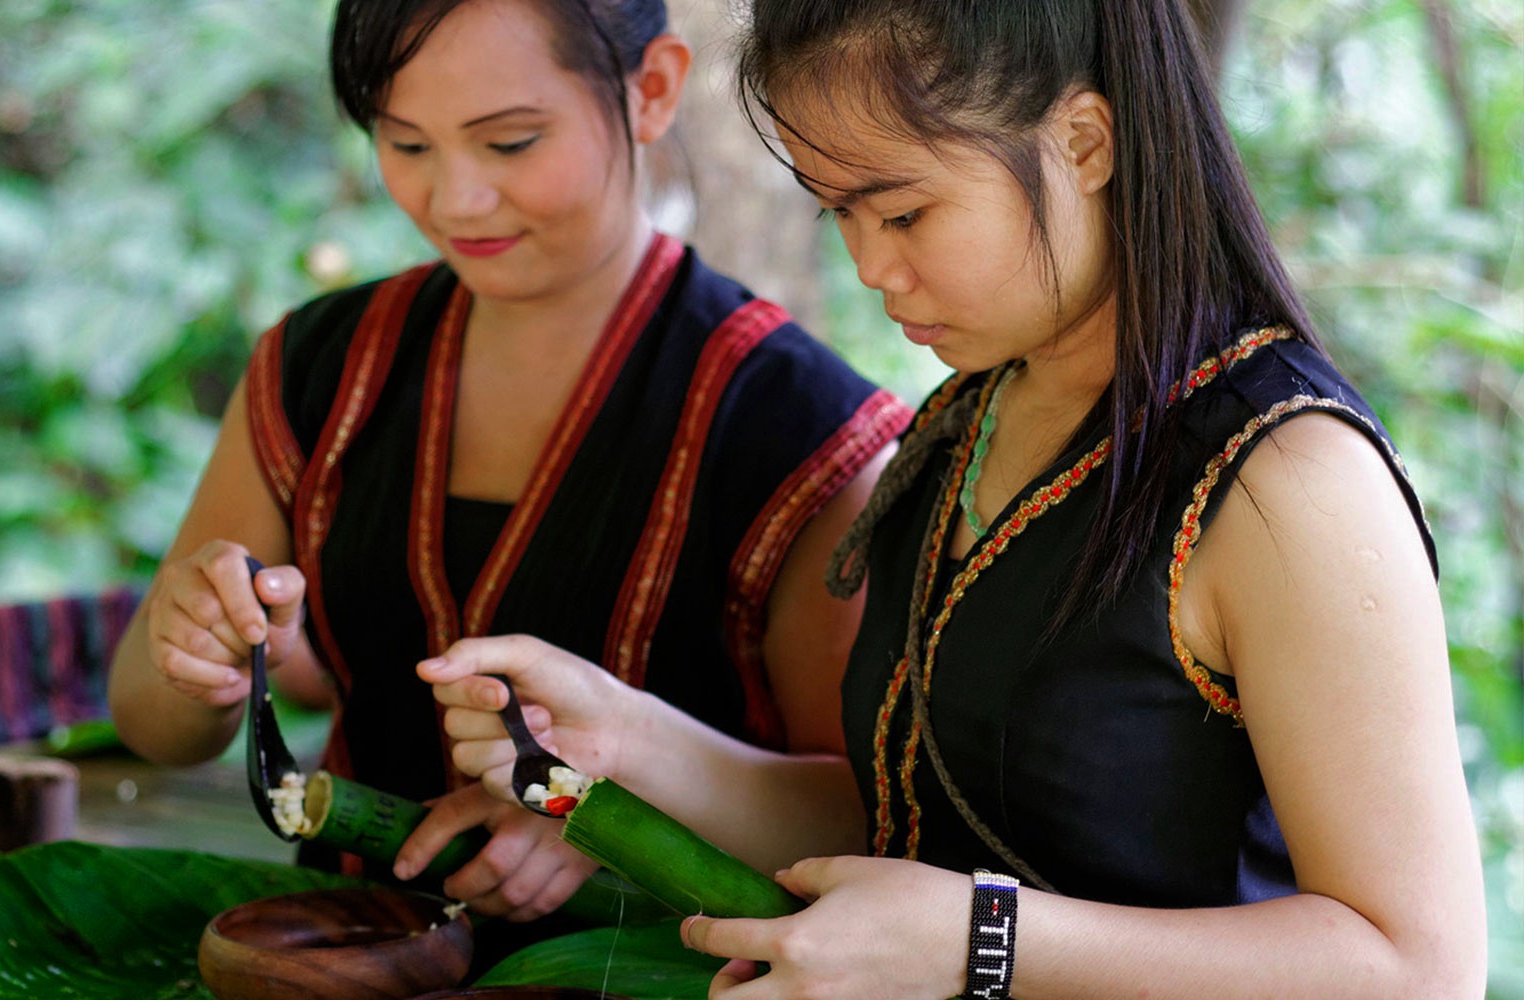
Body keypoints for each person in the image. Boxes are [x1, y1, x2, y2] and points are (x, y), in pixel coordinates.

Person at [418, 0, 1488, 995]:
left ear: (1084, 142)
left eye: (902, 210)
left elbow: (1416, 964)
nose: (872, 266)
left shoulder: (1285, 479)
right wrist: (635, 742)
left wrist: (984, 939)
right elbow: (914, 829)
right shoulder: (960, 425)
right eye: (838, 211)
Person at [106, 0, 910, 925]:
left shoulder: (802, 430)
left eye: (511, 143)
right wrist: (194, 660)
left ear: (651, 91)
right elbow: (152, 725)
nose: (456, 201)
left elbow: (869, 818)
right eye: (407, 146)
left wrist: (603, 813)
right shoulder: (317, 368)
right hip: (339, 955)